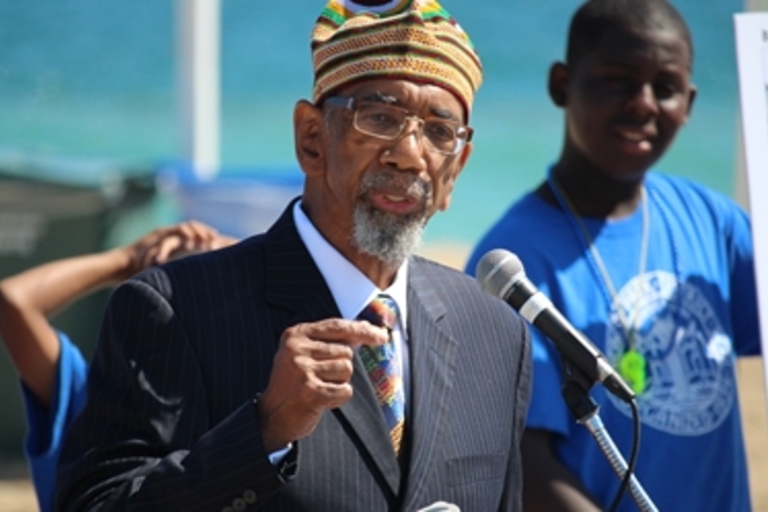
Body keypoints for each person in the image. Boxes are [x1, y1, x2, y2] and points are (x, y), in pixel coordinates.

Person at [55, 1, 533, 511]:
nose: (409, 154)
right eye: (379, 117)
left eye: (439, 132)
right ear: (311, 139)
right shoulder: (176, 310)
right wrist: (262, 431)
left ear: (456, 168)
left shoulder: (495, 334)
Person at [465, 1, 761, 511]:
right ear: (562, 84)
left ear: (688, 104)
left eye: (664, 88)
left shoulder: (715, 221)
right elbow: (525, 461)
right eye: (617, 81)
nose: (643, 104)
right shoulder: (514, 262)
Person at [0, 220, 236, 512]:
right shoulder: (94, 403)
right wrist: (125, 259)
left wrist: (231, 253)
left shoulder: (246, 405)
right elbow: (14, 301)